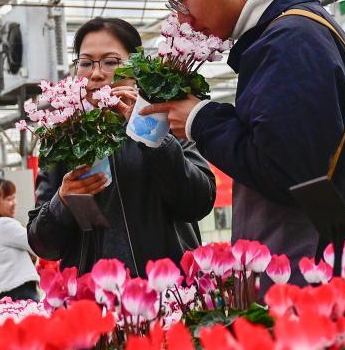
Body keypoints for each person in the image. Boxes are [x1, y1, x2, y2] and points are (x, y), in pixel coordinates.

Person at [142, 0, 345, 275]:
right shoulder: (288, 33)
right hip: (329, 254)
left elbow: (287, 170)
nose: (182, 19)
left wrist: (200, 119)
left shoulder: (290, 40)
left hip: (318, 269)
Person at [28, 18, 216, 276]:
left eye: (110, 61)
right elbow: (43, 245)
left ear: (135, 67)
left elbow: (198, 201)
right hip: (91, 298)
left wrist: (148, 131)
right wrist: (62, 201)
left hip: (167, 291)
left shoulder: (166, 119)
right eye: (85, 63)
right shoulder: (62, 137)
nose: (96, 73)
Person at [0, 178, 40, 301]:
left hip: (1, 293)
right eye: (8, 199)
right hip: (21, 290)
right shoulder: (3, 224)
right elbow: (37, 243)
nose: (14, 202)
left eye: (14, 197)